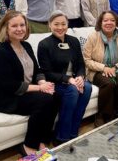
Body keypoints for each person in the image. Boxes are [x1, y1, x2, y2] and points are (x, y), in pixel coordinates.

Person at [0, 11, 58, 156]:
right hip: (7, 96)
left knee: (55, 96)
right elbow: (9, 85)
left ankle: (42, 140)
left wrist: (44, 84)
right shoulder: (0, 51)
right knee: (44, 100)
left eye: (22, 25)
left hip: (26, 90)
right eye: (14, 26)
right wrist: (40, 88)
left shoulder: (26, 45)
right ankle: (29, 146)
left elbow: (37, 69)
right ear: (6, 28)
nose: (19, 29)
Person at [37, 10, 92, 145]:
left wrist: (79, 77)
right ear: (50, 25)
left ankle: (73, 133)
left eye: (63, 24)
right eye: (56, 24)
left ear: (67, 24)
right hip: (56, 82)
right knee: (72, 91)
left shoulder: (73, 41)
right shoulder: (44, 44)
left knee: (88, 87)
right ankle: (61, 137)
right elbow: (46, 72)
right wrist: (68, 80)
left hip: (73, 80)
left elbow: (80, 63)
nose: (60, 27)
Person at [83, 10, 118, 127]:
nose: (109, 23)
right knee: (108, 83)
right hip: (96, 70)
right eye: (106, 20)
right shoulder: (93, 36)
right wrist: (104, 68)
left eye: (112, 20)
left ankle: (117, 113)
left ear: (117, 23)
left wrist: (115, 67)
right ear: (101, 23)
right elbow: (86, 60)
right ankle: (102, 115)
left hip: (116, 68)